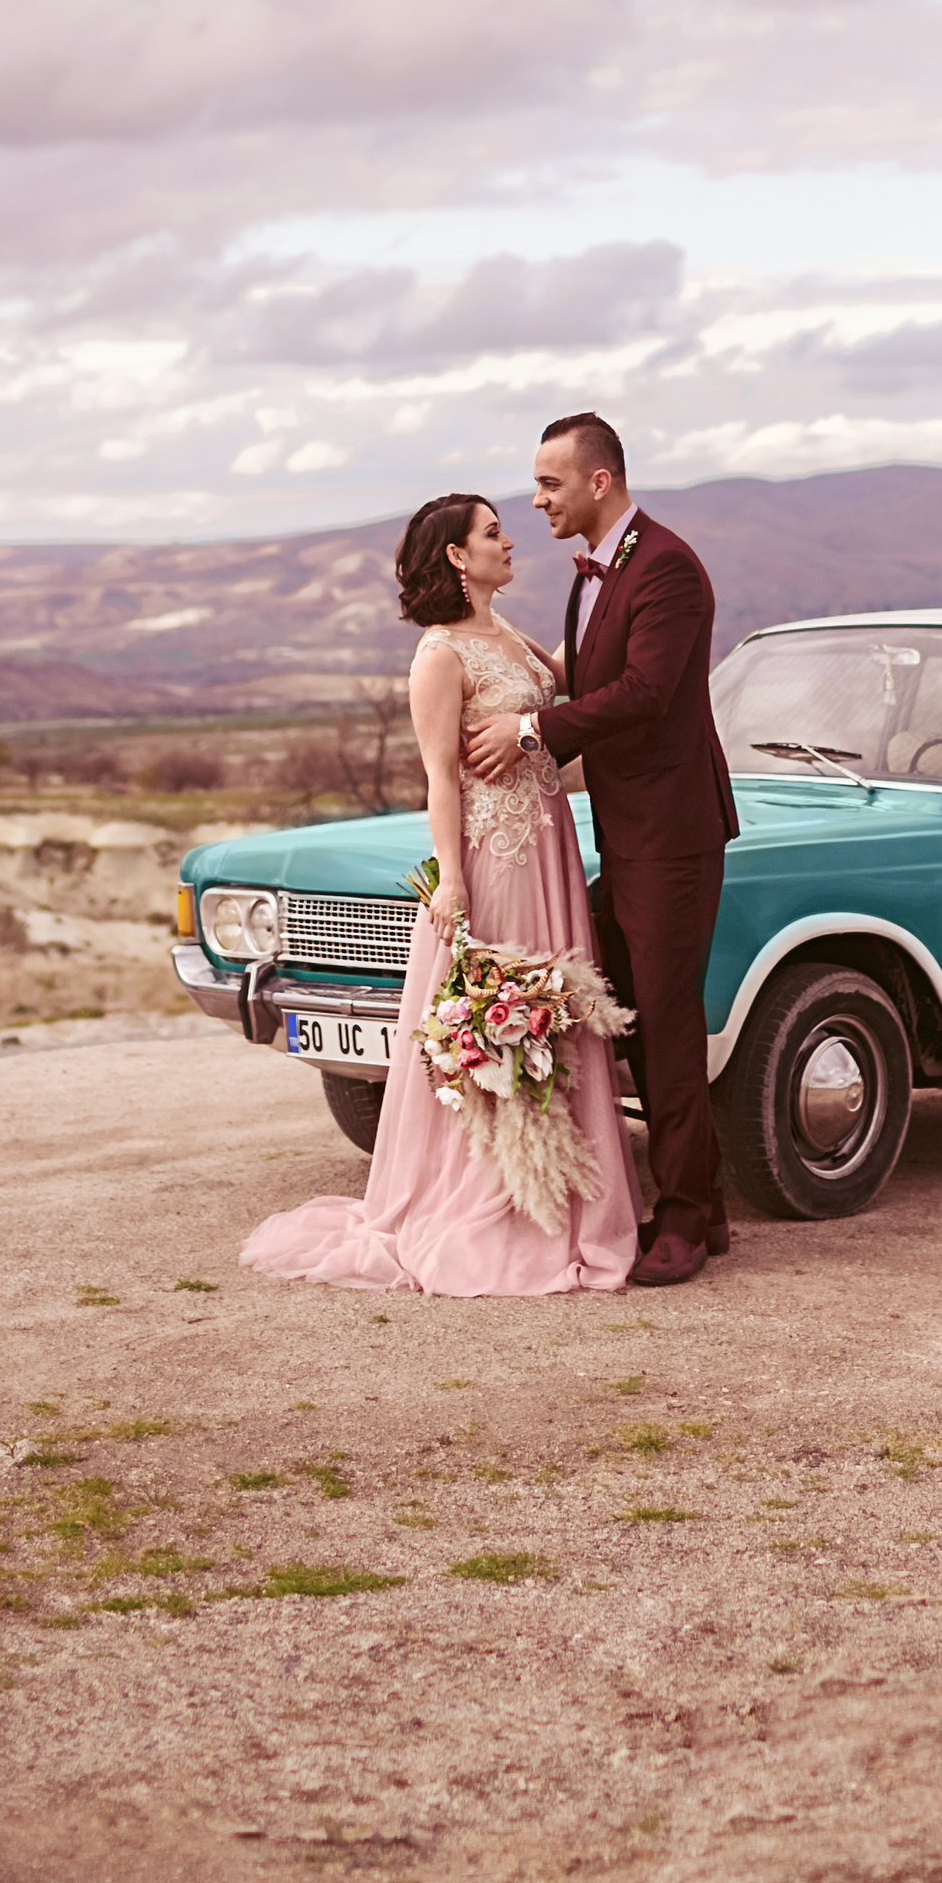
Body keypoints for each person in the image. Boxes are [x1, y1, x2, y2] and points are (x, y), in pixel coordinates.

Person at [239, 492, 639, 1299]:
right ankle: (495, 1199)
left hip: (550, 849)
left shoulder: (512, 638)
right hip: (494, 858)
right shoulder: (439, 654)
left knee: (557, 1008)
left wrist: (606, 583)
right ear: (458, 556)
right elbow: (441, 782)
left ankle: (563, 1191)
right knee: (500, 1021)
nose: (509, 540)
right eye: (493, 533)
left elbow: (579, 681)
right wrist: (452, 879)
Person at [463, 413, 737, 1288]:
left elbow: (648, 694)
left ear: (599, 482)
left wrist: (533, 728)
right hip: (626, 834)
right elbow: (596, 690)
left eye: (548, 483)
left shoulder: (666, 568)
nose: (536, 499)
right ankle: (707, 1202)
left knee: (665, 1025)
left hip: (675, 834)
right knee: (634, 1019)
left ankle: (686, 1224)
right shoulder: (592, 577)